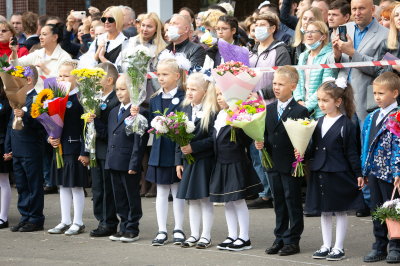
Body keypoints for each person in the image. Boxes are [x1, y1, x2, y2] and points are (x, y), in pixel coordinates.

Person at [329, 0, 390, 218]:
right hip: (343, 100)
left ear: (372, 10)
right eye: (354, 9)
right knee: (344, 150)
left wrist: (353, 52)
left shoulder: (384, 34)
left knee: (366, 150)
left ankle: (367, 200)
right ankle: (350, 196)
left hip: (367, 102)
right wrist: (337, 53)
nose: (356, 12)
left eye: (361, 8)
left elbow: (382, 71)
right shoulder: (343, 29)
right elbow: (332, 62)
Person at [297, 79, 365, 261]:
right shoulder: (316, 122)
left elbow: (352, 152)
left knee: (340, 210)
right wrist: (301, 150)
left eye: (325, 100)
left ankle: (338, 248)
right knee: (324, 210)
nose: (321, 104)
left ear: (337, 101)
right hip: (319, 171)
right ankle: (326, 245)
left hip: (338, 172)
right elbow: (312, 150)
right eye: (319, 100)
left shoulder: (347, 124)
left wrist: (358, 174)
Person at [88, 74, 149, 243]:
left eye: (123, 89)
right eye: (117, 89)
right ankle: (123, 227)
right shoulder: (114, 111)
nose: (119, 93)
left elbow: (139, 141)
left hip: (128, 161)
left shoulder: (139, 112)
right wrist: (95, 122)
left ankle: (132, 228)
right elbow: (108, 134)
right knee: (119, 197)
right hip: (113, 161)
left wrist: (135, 163)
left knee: (131, 197)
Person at [257, 66, 308, 256]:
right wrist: (259, 142)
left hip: (291, 164)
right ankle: (279, 237)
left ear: (293, 86)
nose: (276, 87)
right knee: (278, 201)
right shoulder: (268, 109)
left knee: (292, 201)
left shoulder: (300, 110)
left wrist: (302, 151)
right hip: (272, 164)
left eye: (281, 84)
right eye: (274, 83)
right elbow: (265, 133)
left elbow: (305, 137)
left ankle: (293, 240)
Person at [246, 12, 292, 210]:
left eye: (263, 24)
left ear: (273, 28)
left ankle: (277, 192)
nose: (258, 28)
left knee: (272, 149)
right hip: (251, 108)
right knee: (255, 151)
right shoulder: (250, 51)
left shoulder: (280, 50)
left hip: (272, 106)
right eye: (256, 25)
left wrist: (259, 95)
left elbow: (282, 77)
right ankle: (265, 192)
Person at [210, 85, 262, 252]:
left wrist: (238, 123)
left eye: (222, 94)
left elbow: (245, 141)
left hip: (235, 162)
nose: (219, 98)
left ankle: (244, 237)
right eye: (217, 94)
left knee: (239, 200)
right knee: (228, 201)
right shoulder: (219, 115)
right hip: (221, 162)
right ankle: (232, 235)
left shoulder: (240, 115)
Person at [147, 56, 188, 246]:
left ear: (177, 76)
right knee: (162, 191)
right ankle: (161, 230)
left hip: (175, 150)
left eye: (165, 74)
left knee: (177, 191)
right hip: (159, 150)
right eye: (159, 74)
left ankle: (178, 228)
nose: (161, 78)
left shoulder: (183, 98)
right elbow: (151, 123)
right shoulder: (155, 99)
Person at [175, 72, 219, 249]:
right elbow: (176, 138)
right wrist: (178, 160)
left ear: (206, 90)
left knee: (204, 198)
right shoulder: (183, 109)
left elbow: (213, 139)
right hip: (188, 161)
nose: (189, 92)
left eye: (194, 89)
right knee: (192, 199)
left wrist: (195, 147)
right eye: (188, 89)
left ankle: (205, 236)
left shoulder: (213, 111)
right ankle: (193, 234)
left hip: (204, 160)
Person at [47, 61, 89, 236]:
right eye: (60, 76)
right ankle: (65, 220)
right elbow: (50, 123)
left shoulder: (81, 98)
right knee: (63, 186)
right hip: (60, 148)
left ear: (77, 77)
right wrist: (50, 137)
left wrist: (85, 152)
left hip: (75, 147)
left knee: (76, 186)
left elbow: (87, 128)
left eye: (67, 75)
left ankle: (77, 222)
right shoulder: (55, 97)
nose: (62, 79)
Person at [362, 72, 400, 263]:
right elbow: (365, 143)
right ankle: (379, 245)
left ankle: (396, 246)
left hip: (391, 173)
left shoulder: (398, 115)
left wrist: (398, 171)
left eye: (381, 93)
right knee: (376, 210)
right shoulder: (371, 117)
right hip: (374, 171)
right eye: (375, 93)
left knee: (392, 208)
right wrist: (364, 169)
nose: (377, 97)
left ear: (395, 93)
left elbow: (399, 145)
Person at [5, 65, 45, 233]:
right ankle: (25, 216)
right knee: (22, 186)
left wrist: (26, 115)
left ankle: (35, 218)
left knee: (33, 185)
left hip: (31, 149)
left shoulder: (38, 99)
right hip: (18, 149)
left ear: (28, 80)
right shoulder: (15, 99)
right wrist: (8, 147)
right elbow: (10, 125)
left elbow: (42, 124)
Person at [87, 63, 120, 238]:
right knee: (98, 188)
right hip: (95, 148)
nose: (93, 81)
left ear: (109, 80)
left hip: (107, 149)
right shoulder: (94, 97)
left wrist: (94, 121)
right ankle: (101, 219)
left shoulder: (115, 100)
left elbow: (109, 129)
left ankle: (109, 222)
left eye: (97, 77)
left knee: (108, 188)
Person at [10, 22, 71, 92]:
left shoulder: (65, 58)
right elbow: (16, 65)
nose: (40, 37)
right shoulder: (37, 53)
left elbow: (65, 84)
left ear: (55, 37)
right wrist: (14, 52)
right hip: (35, 97)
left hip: (54, 98)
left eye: (44, 34)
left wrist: (45, 70)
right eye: (40, 34)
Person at [293, 21, 336, 120]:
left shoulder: (329, 56)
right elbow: (297, 81)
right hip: (302, 109)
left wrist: (307, 106)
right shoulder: (303, 56)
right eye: (307, 31)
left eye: (313, 32)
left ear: (324, 36)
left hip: (321, 111)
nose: (308, 35)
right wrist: (299, 100)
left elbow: (326, 85)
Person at [82, 6, 127, 72]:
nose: (106, 22)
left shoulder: (125, 43)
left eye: (110, 19)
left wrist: (102, 57)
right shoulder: (98, 39)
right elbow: (87, 66)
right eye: (103, 19)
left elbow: (122, 70)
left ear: (118, 20)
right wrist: (98, 53)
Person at [0, 78, 12, 229]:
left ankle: (3, 217)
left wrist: (9, 148)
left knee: (3, 180)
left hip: (1, 143)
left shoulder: (6, 101)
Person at [376, 4, 400, 77]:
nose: (399, 18)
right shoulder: (386, 43)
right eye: (396, 15)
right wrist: (393, 67)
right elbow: (379, 75)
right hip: (394, 87)